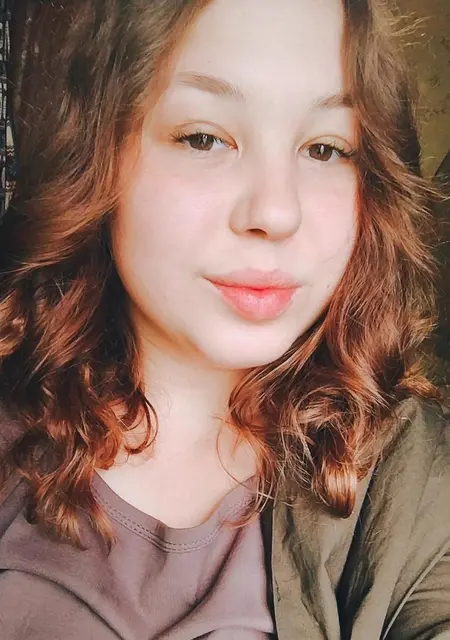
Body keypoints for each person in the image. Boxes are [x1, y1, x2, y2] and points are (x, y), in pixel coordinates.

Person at [0, 0, 448, 638]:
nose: (276, 212)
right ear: (98, 156)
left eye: (325, 148)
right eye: (204, 138)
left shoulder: (413, 475)